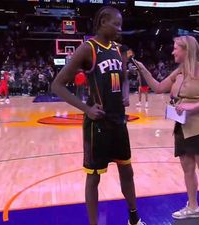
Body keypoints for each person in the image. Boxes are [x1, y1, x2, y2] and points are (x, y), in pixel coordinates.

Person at [51, 6, 144, 225]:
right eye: (116, 24)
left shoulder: (118, 49)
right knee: (94, 178)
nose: (120, 29)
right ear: (103, 22)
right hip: (97, 124)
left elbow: (123, 78)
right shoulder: (87, 48)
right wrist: (86, 108)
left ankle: (134, 219)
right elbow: (57, 85)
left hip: (118, 121)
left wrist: (124, 94)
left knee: (127, 171)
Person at [135, 35, 199, 225]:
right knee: (187, 169)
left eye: (176, 48)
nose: (173, 51)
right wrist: (143, 70)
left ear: (187, 50)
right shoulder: (180, 71)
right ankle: (192, 207)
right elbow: (158, 88)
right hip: (182, 126)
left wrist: (192, 106)